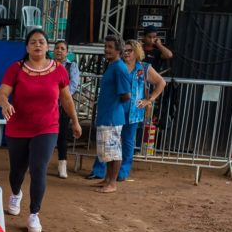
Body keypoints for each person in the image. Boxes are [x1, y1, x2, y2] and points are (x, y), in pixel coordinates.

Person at [0, 29, 82, 232]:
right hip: (18, 126)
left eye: (41, 42)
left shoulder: (59, 70)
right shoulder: (15, 69)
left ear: (47, 47)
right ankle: (16, 193)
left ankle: (34, 214)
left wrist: (76, 122)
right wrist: (5, 103)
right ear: (27, 47)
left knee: (38, 168)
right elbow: (1, 93)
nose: (37, 45)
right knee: (17, 170)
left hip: (47, 127)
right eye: (33, 42)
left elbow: (66, 99)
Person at [88, 40, 166, 182]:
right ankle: (100, 170)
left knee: (128, 141)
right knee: (108, 140)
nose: (126, 53)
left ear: (137, 52)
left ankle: (122, 172)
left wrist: (150, 99)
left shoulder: (144, 67)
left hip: (134, 111)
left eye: (129, 50)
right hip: (117, 109)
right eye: (125, 50)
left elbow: (161, 82)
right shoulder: (118, 65)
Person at [90, 35, 131, 193]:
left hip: (112, 117)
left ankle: (112, 183)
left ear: (119, 50)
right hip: (107, 115)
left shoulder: (119, 68)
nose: (106, 50)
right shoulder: (113, 66)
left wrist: (114, 106)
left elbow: (125, 95)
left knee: (114, 151)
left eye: (110, 47)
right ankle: (107, 179)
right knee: (107, 151)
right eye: (105, 47)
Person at [52, 39, 80, 179]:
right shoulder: (48, 64)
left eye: (62, 48)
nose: (59, 51)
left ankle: (62, 165)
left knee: (62, 136)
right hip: (47, 106)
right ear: (53, 50)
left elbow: (74, 85)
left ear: (67, 52)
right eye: (57, 48)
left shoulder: (72, 66)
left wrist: (60, 95)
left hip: (63, 106)